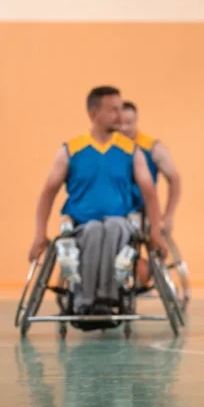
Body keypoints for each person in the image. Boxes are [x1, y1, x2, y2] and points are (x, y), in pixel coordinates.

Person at [27, 86, 166, 316]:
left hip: (120, 223)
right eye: (113, 110)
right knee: (93, 230)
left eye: (120, 109)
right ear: (94, 114)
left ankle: (107, 298)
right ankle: (85, 301)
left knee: (113, 227)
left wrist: (156, 233)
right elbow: (48, 193)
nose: (120, 115)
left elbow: (150, 193)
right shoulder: (71, 150)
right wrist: (39, 234)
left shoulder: (131, 151)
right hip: (82, 225)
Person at [119, 101, 183, 233]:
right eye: (120, 123)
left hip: (143, 212)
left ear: (136, 121)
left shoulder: (152, 147)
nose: (124, 128)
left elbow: (174, 178)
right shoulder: (107, 147)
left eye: (128, 123)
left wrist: (169, 216)